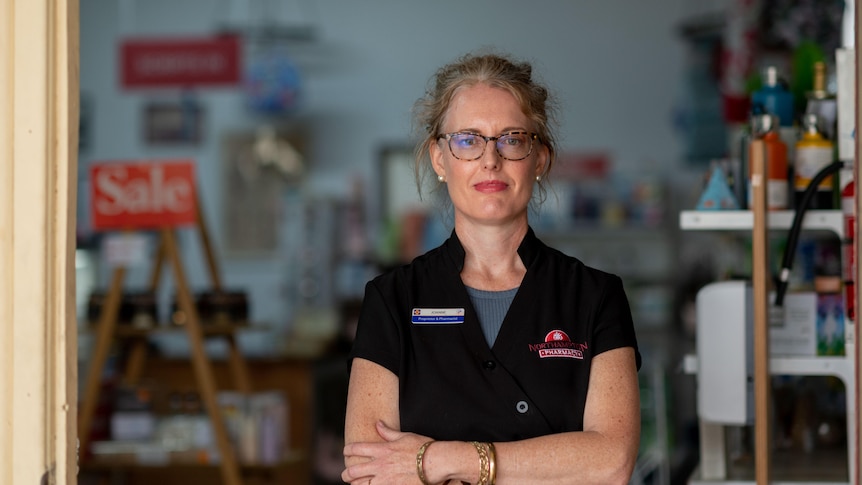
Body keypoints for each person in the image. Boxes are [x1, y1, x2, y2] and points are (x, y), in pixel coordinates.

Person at [342, 50, 641, 485]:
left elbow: (612, 462)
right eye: (468, 139)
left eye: (512, 138)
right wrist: (551, 464)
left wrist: (438, 461)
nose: (490, 159)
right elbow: (371, 473)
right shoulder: (392, 300)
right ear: (440, 159)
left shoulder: (595, 297)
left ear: (540, 159)